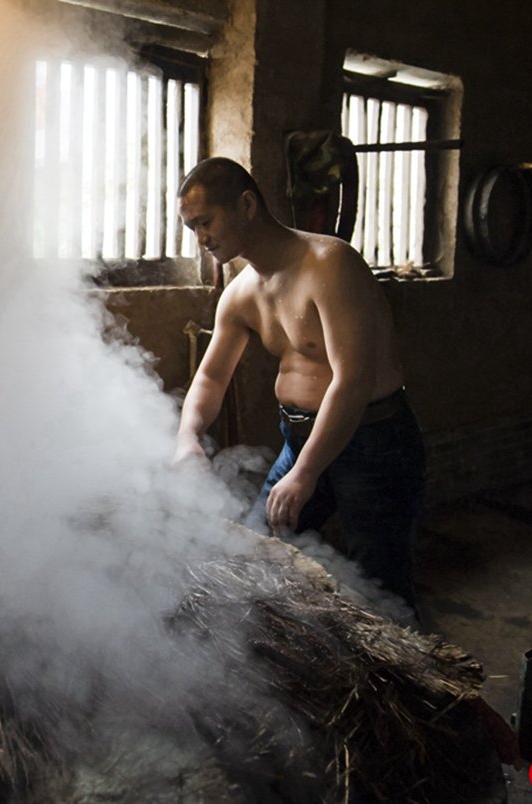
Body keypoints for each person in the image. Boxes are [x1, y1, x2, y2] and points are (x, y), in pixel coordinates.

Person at [173, 157, 426, 612]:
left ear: (247, 205)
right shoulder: (240, 294)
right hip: (299, 438)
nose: (201, 239)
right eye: (192, 228)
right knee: (253, 559)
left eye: (205, 222)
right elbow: (211, 377)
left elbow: (352, 380)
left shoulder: (330, 265)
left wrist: (305, 473)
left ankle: (413, 679)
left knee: (381, 589)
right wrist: (188, 436)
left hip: (373, 442)